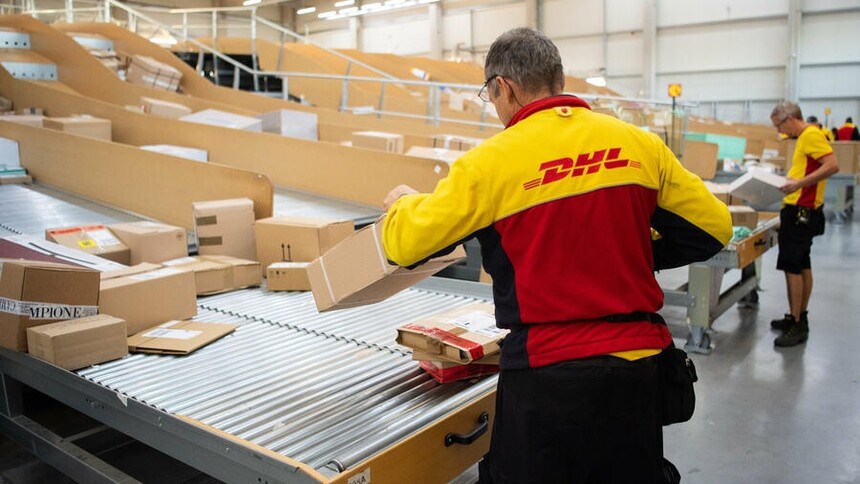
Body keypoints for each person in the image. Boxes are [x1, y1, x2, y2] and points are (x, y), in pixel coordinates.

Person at [381, 28, 732, 483]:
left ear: (502, 87)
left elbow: (405, 245)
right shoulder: (639, 145)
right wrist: (628, 251)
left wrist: (403, 204)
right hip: (638, 370)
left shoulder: (490, 163)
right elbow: (714, 229)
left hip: (546, 376)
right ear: (558, 78)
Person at [769, 102, 839, 346]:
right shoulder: (806, 137)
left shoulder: (810, 135)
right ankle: (797, 316)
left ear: (789, 118)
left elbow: (832, 165)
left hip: (801, 211)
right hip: (804, 210)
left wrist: (798, 184)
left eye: (779, 125)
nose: (780, 131)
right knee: (802, 263)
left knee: (792, 267)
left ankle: (797, 324)